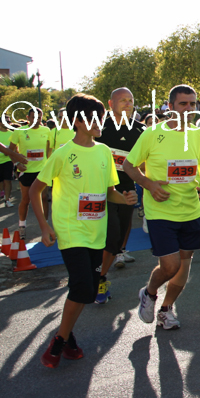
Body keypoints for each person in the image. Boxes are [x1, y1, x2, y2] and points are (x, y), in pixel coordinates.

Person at [30, 93, 137, 368]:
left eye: (101, 117)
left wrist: (124, 199)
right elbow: (35, 189)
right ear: (77, 122)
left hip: (96, 232)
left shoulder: (103, 152)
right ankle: (58, 341)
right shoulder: (63, 154)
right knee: (81, 287)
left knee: (86, 291)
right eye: (94, 118)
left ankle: (67, 337)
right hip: (71, 231)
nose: (100, 123)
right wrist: (44, 225)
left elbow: (109, 192)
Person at [124, 85, 200, 330]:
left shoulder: (198, 136)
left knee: (184, 264)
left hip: (190, 210)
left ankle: (166, 309)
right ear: (170, 106)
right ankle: (149, 292)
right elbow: (129, 165)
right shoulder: (153, 133)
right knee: (170, 265)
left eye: (193, 104)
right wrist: (148, 184)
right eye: (183, 104)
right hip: (161, 211)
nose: (188, 109)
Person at [94, 87, 146, 304]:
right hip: (100, 191)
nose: (127, 103)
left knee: (117, 238)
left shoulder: (140, 130)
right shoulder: (99, 128)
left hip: (127, 190)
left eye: (130, 100)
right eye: (122, 100)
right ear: (110, 104)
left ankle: (100, 274)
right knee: (109, 235)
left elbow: (146, 162)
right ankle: (98, 278)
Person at [10, 107, 51, 239]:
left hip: (41, 170)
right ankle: (22, 226)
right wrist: (17, 163)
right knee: (26, 200)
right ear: (28, 118)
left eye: (39, 117)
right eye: (33, 117)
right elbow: (10, 150)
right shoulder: (19, 131)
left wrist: (48, 164)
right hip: (26, 171)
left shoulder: (46, 130)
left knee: (44, 197)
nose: (36, 120)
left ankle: (45, 226)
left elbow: (49, 149)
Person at [0, 119, 15, 208]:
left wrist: (9, 152)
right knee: (1, 181)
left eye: (8, 122)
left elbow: (15, 147)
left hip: (8, 160)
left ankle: (7, 200)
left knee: (7, 180)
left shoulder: (12, 134)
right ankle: (2, 193)